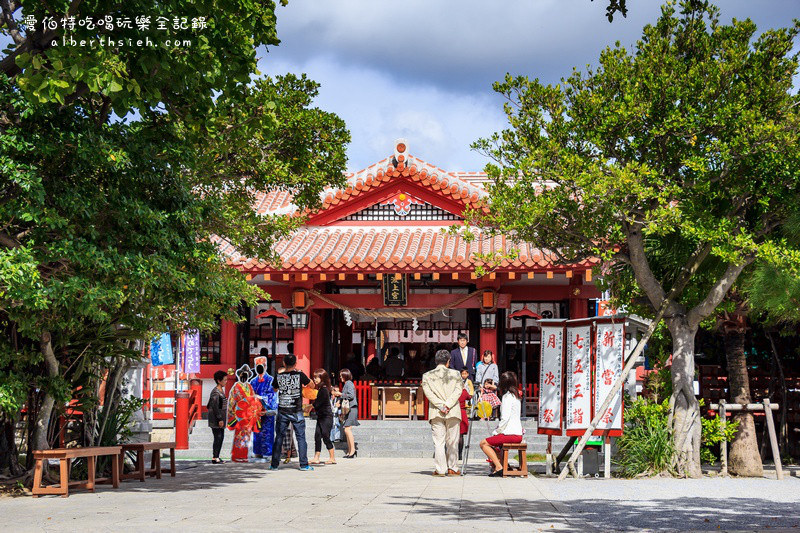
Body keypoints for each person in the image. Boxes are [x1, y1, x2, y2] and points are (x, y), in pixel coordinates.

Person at [421, 349, 464, 476]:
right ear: (448, 362)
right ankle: (453, 468)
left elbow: (429, 394)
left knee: (439, 442)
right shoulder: (456, 374)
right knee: (452, 441)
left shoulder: (427, 375)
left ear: (436, 361)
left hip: (437, 411)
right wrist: (448, 404)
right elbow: (458, 390)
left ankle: (440, 469)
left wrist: (441, 406)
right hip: (452, 410)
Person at [270, 354, 315, 471]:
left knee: (279, 437)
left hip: (283, 410)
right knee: (301, 437)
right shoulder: (299, 375)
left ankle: (274, 464)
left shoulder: (279, 376)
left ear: (284, 363)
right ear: (295, 364)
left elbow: (274, 389)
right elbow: (312, 385)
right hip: (296, 410)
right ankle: (304, 464)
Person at [479, 371, 524, 477]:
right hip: (516, 432)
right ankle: (504, 464)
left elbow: (505, 418)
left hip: (510, 433)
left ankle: (499, 467)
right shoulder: (516, 395)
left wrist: (496, 431)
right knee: (494, 443)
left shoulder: (507, 397)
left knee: (483, 443)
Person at [250, 356, 278, 460]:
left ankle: (268, 453)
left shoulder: (271, 380)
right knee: (257, 432)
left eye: (261, 366)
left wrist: (265, 407)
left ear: (265, 366)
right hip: (256, 413)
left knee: (267, 432)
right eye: (257, 366)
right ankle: (257, 452)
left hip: (266, 411)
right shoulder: (253, 381)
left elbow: (273, 396)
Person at [310, 368, 336, 465]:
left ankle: (332, 457)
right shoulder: (321, 389)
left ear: (323, 378)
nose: (315, 379)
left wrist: (310, 406)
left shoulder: (324, 389)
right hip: (321, 416)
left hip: (326, 417)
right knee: (317, 436)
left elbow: (318, 403)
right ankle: (316, 457)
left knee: (325, 436)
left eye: (317, 377)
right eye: (314, 377)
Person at [333, 368, 359, 458]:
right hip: (348, 409)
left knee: (347, 429)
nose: (340, 378)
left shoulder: (349, 384)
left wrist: (340, 394)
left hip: (352, 408)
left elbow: (351, 396)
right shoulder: (346, 384)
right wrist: (339, 401)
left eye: (341, 376)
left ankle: (353, 450)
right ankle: (350, 450)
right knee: (347, 429)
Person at [207, 370, 228, 464]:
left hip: (220, 417)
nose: (226, 382)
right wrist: (219, 418)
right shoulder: (216, 392)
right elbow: (215, 406)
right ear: (219, 381)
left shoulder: (220, 390)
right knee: (218, 437)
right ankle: (215, 457)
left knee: (220, 437)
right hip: (216, 418)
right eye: (224, 380)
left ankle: (217, 456)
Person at [476, 350, 501, 418]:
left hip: (491, 387)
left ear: (491, 357)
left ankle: (493, 416)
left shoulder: (494, 366)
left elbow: (496, 376)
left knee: (493, 402)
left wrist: (493, 385)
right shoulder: (480, 366)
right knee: (484, 402)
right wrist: (480, 385)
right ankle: (483, 415)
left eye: (488, 357)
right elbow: (478, 376)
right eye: (485, 356)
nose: (486, 358)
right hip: (483, 387)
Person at [457, 369, 473, 461]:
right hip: (462, 412)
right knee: (461, 435)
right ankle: (460, 454)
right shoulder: (464, 392)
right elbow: (469, 397)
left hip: (454, 412)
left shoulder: (454, 392)